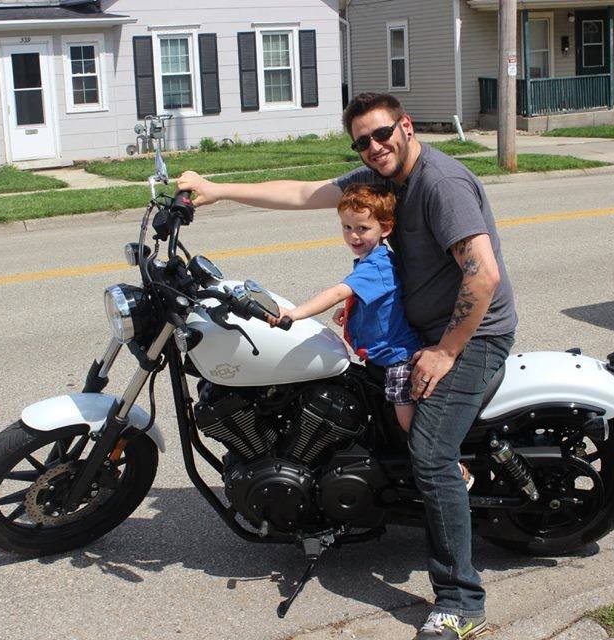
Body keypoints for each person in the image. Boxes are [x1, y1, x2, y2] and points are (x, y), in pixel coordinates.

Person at [178, 92, 517, 640]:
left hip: (470, 336)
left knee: (430, 455)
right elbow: (301, 192)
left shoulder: (440, 184)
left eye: (383, 134)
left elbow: (483, 277)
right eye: (362, 140)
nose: (375, 146)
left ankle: (461, 598)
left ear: (406, 126)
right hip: (414, 333)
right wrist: (217, 190)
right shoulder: (383, 182)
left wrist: (446, 350)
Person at [270, 183, 475, 489]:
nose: (354, 235)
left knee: (408, 419)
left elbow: (340, 290)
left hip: (397, 359)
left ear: (386, 227)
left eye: (363, 228)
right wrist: (350, 312)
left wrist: (296, 313)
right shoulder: (376, 259)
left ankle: (446, 464)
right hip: (384, 356)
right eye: (347, 227)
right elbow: (376, 300)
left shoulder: (375, 265)